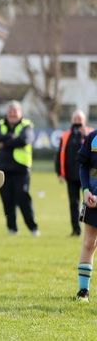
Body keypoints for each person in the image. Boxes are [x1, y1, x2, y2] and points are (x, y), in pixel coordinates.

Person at [0, 100, 40, 236]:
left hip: (21, 170)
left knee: (23, 198)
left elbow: (24, 140)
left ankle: (33, 228)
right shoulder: (1, 125)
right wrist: (10, 137)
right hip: (1, 169)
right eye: (10, 111)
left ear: (21, 113)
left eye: (15, 111)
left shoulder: (26, 126)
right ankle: (12, 229)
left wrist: (4, 142)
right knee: (7, 201)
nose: (12, 114)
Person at [55, 109, 91, 237]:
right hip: (71, 175)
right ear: (71, 120)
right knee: (73, 203)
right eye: (75, 119)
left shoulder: (91, 134)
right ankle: (76, 230)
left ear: (84, 121)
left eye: (79, 119)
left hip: (88, 176)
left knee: (89, 202)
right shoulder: (66, 135)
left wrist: (85, 135)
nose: (77, 122)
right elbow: (59, 155)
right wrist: (59, 172)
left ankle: (90, 229)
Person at [75, 128, 97, 301]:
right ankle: (83, 292)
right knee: (89, 243)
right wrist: (86, 190)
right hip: (92, 201)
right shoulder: (92, 137)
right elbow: (84, 165)